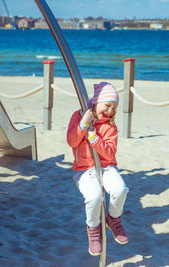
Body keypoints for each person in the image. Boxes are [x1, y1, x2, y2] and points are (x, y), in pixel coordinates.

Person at [67, 82, 129, 256]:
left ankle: (113, 219)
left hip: (106, 167)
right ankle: (94, 230)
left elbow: (110, 154)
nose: (110, 110)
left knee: (121, 189)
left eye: (114, 108)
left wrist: (94, 138)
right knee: (94, 197)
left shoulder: (110, 126)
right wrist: (83, 125)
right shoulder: (78, 116)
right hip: (84, 169)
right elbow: (72, 141)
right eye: (107, 105)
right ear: (96, 102)